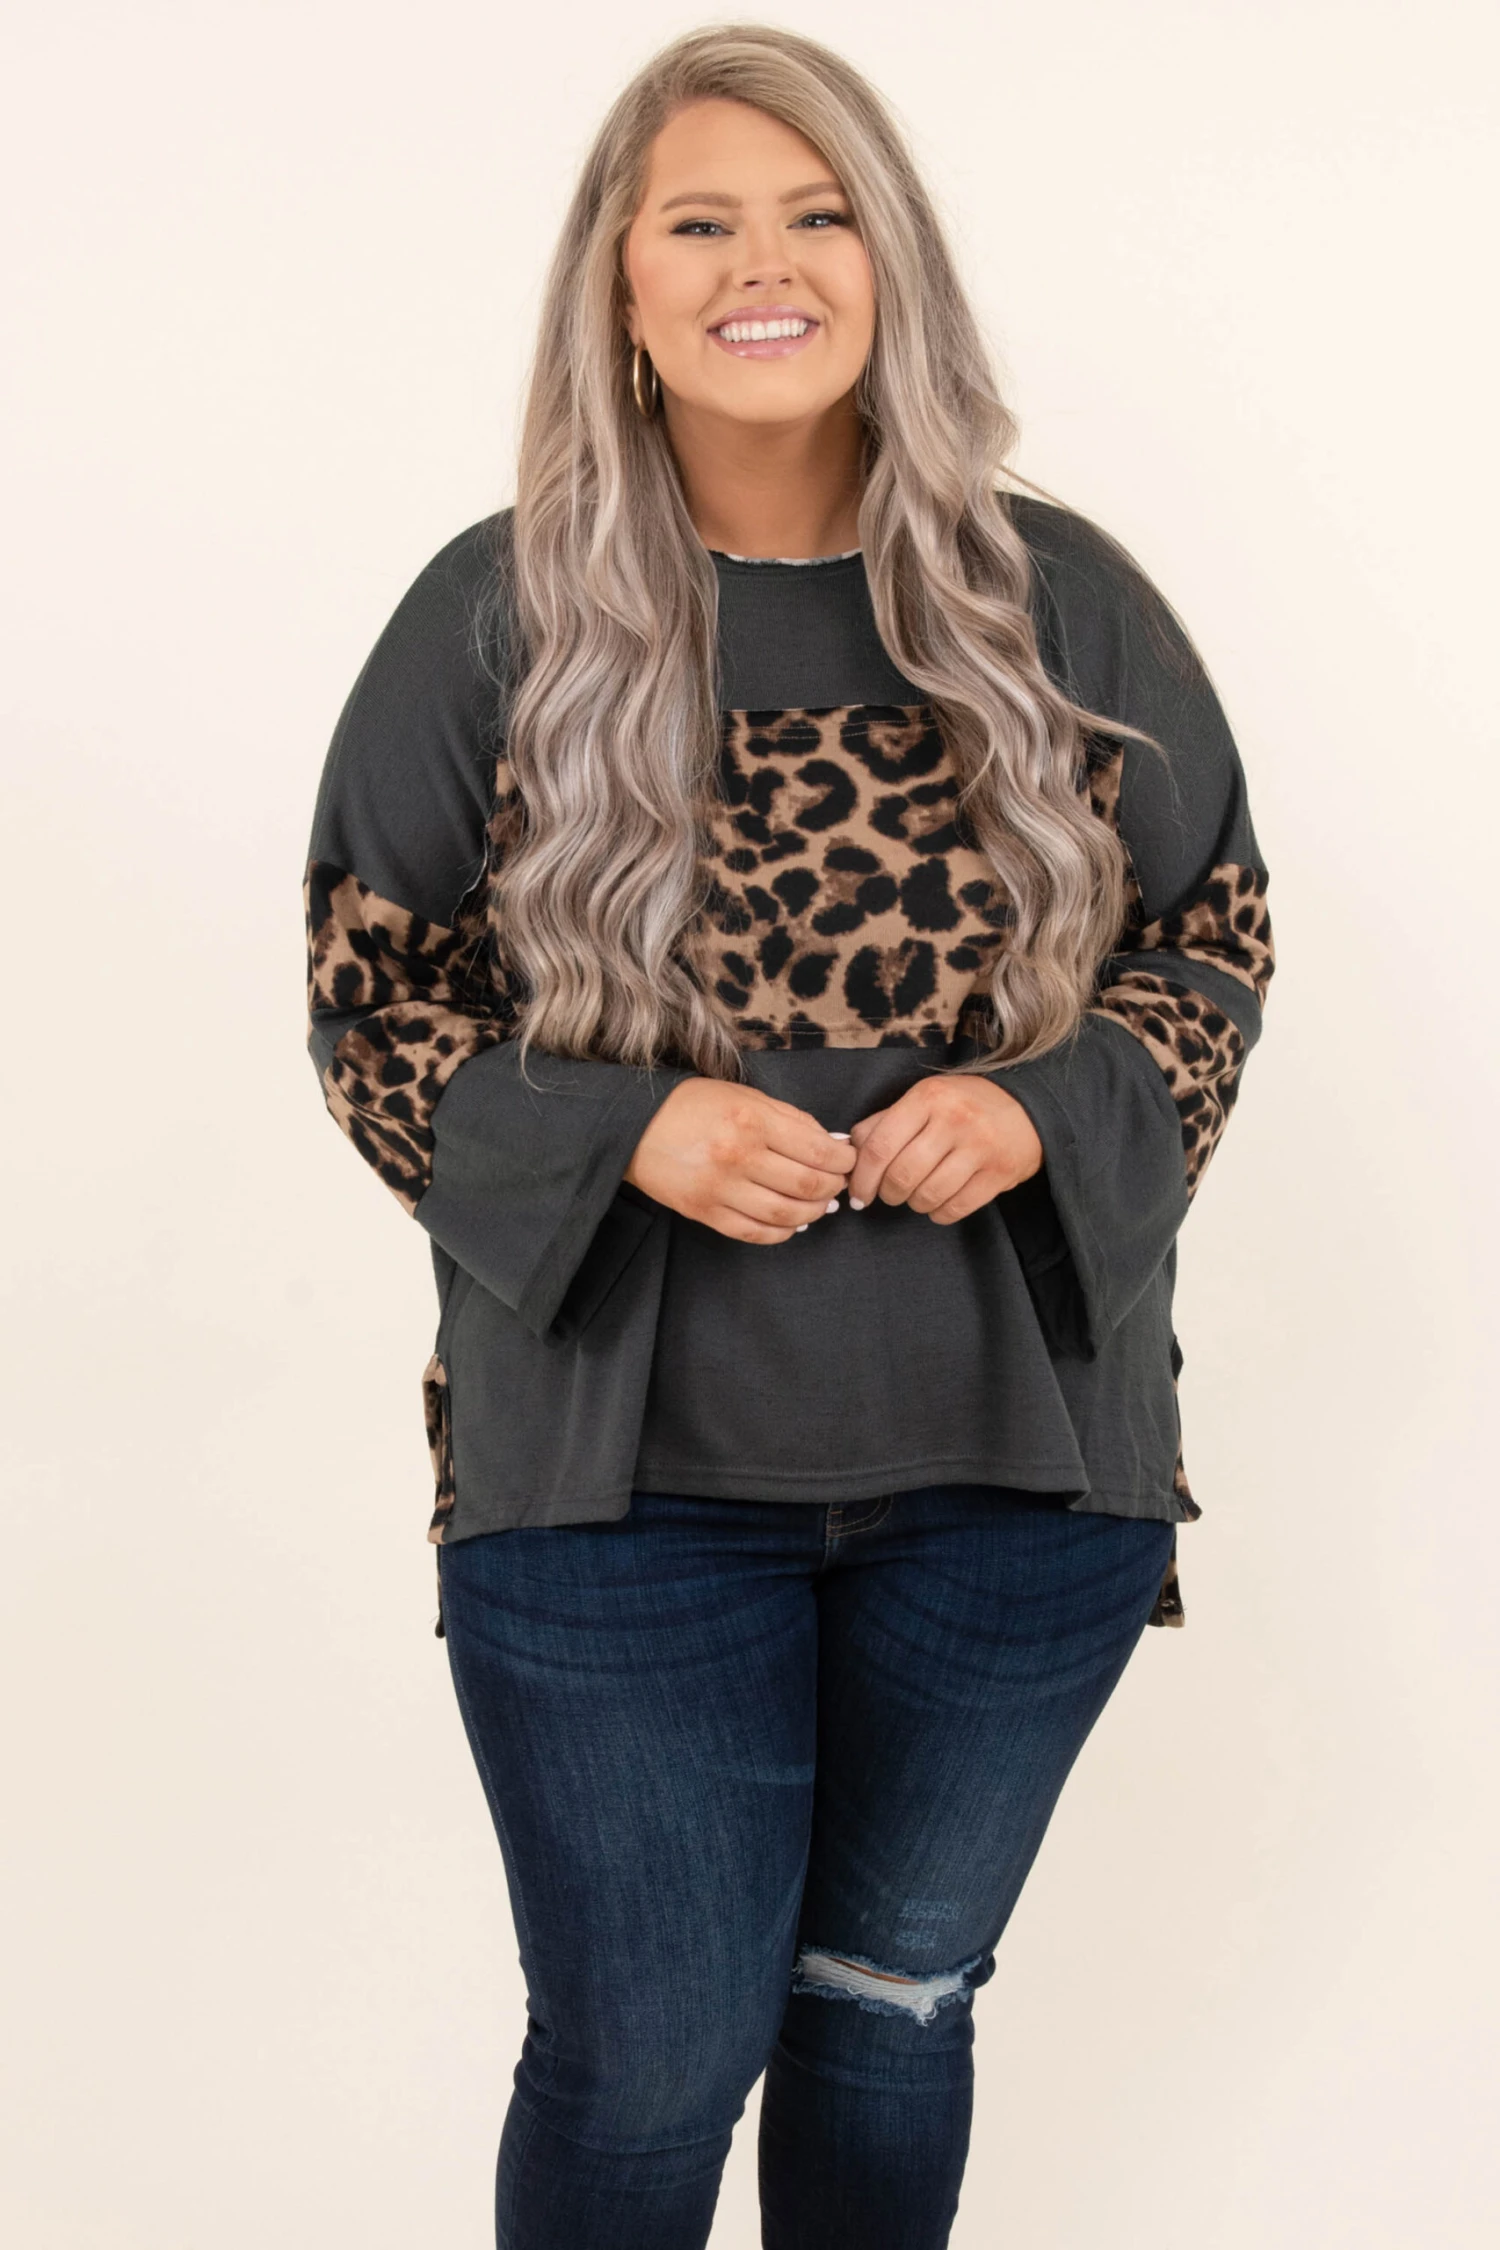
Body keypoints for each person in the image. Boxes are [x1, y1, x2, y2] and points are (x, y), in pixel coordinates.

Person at [302, 24, 1275, 2249]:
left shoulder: (1058, 600)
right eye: (704, 222)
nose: (769, 264)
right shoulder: (500, 613)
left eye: (820, 213)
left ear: (890, 259)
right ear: (621, 284)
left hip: (1018, 1483)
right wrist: (625, 1138)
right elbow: (371, 997)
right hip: (612, 1504)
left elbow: (1211, 939)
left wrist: (1039, 1112)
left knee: (889, 2019)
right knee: (644, 2064)